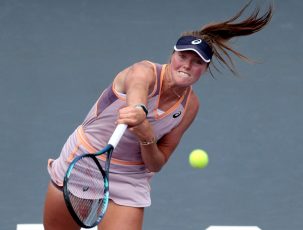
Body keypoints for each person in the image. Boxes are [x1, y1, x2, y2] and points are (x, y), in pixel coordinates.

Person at [43, 1, 273, 230]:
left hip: (130, 176)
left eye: (196, 62)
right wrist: (139, 111)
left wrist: (146, 136)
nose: (187, 65)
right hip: (85, 159)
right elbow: (137, 88)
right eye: (183, 57)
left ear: (205, 68)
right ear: (172, 55)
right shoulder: (144, 71)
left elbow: (156, 162)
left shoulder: (190, 106)